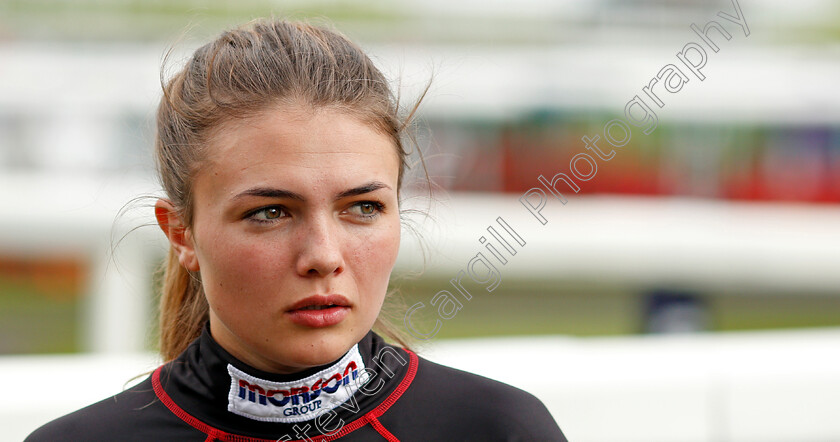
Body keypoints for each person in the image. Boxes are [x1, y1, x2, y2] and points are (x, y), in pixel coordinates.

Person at [26, 18, 566, 441]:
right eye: (270, 213)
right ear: (182, 234)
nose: (323, 256)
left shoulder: (499, 430)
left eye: (363, 208)